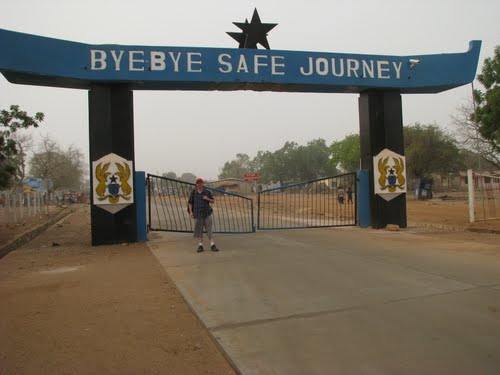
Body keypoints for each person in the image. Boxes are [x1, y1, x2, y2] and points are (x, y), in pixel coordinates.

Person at [187, 178, 219, 253]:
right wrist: (191, 212)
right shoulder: (193, 193)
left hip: (207, 213)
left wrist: (207, 198)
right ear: (196, 184)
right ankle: (200, 245)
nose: (199, 184)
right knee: (199, 230)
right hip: (197, 214)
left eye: (201, 183)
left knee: (209, 230)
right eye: (198, 183)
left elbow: (213, 201)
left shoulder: (207, 192)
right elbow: (190, 203)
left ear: (203, 184)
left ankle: (212, 245)